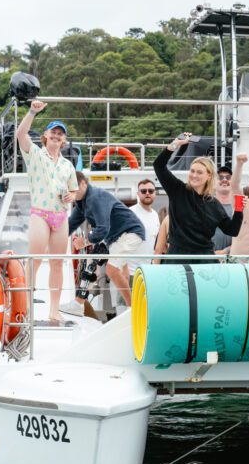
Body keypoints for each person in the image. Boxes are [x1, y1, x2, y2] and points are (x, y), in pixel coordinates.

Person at [16, 100, 78, 321]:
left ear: (64, 140)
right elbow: (20, 134)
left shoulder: (68, 165)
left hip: (61, 216)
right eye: (53, 131)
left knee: (57, 264)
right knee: (35, 260)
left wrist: (72, 195)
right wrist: (32, 112)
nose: (57, 135)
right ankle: (25, 307)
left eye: (60, 134)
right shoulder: (34, 153)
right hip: (40, 213)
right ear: (45, 135)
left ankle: (54, 310)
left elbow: (75, 191)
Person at [153, 133, 243, 264]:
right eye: (192, 171)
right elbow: (158, 166)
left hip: (205, 261)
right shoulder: (177, 190)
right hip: (178, 259)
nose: (194, 175)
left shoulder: (214, 204)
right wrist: (175, 144)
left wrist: (239, 209)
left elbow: (232, 230)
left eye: (199, 172)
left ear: (209, 176)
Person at [65, 172, 145, 310]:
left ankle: (132, 308)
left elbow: (102, 229)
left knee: (111, 269)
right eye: (69, 189)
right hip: (115, 237)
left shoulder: (95, 197)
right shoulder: (81, 203)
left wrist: (84, 242)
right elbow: (70, 225)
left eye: (73, 188)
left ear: (83, 183)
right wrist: (52, 241)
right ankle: (80, 303)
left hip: (130, 231)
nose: (71, 192)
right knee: (118, 267)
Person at [128, 179, 161, 282]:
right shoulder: (130, 213)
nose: (147, 193)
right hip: (129, 272)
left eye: (150, 191)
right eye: (143, 191)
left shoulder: (155, 215)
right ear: (138, 194)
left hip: (147, 272)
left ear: (155, 193)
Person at [212, 164, 234, 254]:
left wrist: (225, 251)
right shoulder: (205, 205)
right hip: (208, 258)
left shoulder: (239, 207)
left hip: (232, 260)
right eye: (220, 177)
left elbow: (245, 237)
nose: (224, 180)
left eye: (228, 177)